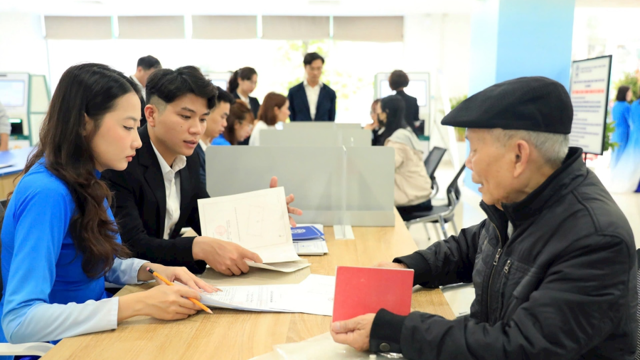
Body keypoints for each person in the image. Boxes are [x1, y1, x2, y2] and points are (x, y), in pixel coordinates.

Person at [330, 77, 637, 359]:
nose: (468, 162)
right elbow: (474, 244)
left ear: (519, 156)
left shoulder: (595, 240)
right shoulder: (523, 198)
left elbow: (520, 348)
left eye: (474, 149)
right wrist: (409, 267)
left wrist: (395, 331)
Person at [0, 64, 215, 351]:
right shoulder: (47, 193)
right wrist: (135, 304)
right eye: (127, 127)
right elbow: (19, 320)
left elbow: (100, 264)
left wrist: (153, 270)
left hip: (92, 334)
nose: (137, 140)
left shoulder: (88, 180)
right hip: (56, 348)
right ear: (83, 124)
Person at [102, 67, 301, 276]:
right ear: (151, 115)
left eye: (203, 119)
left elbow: (209, 219)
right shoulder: (124, 161)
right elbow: (132, 247)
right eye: (186, 116)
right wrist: (196, 247)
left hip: (167, 281)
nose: (196, 129)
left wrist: (267, 215)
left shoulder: (190, 156)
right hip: (130, 286)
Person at [376, 95, 431, 218]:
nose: (377, 115)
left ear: (387, 113)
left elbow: (385, 168)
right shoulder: (405, 132)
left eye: (379, 111)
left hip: (412, 199)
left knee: (370, 203)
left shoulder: (397, 141)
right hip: (419, 193)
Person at [195, 87, 235, 186]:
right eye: (222, 117)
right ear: (206, 113)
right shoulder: (192, 153)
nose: (225, 124)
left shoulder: (209, 149)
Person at [287, 52, 336, 121]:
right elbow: (291, 116)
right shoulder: (294, 92)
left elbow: (331, 118)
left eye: (318, 68)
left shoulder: (330, 93)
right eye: (312, 68)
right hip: (300, 130)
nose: (315, 72)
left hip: (323, 130)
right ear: (305, 67)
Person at [611, 92, 640, 193]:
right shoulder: (627, 106)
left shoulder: (634, 104)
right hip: (629, 133)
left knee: (632, 160)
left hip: (634, 135)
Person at [131, 55, 162, 127]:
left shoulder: (148, 88)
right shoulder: (127, 86)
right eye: (151, 75)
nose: (153, 79)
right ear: (140, 70)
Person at [610, 86, 632, 168]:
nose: (631, 94)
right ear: (625, 93)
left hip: (615, 134)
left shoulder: (615, 105)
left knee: (615, 155)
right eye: (629, 92)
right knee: (622, 157)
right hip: (624, 134)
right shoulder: (626, 106)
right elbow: (631, 122)